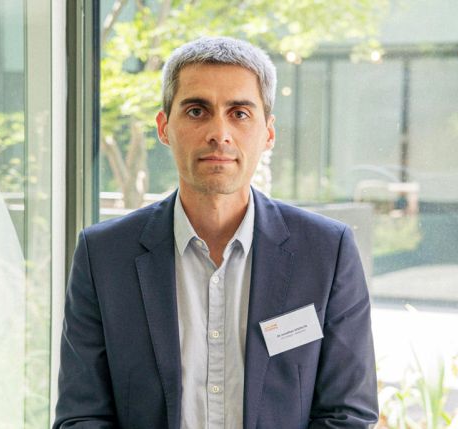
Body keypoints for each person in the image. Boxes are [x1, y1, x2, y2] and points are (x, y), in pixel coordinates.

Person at [54, 36, 378, 429]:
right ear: (164, 127)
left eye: (239, 113)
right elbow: (83, 416)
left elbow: (348, 414)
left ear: (268, 133)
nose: (219, 133)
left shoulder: (328, 253)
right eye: (196, 111)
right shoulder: (103, 256)